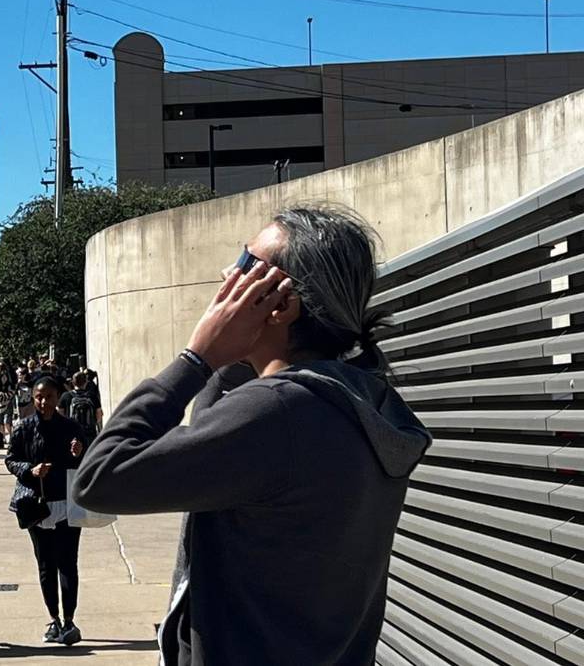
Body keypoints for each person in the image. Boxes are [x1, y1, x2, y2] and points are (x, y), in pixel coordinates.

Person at [73, 206, 432, 665]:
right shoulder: (362, 401)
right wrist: (231, 361)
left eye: (245, 264)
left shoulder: (278, 413)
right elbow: (214, 434)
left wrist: (195, 358)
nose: (226, 274)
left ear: (279, 304)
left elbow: (99, 479)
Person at [5, 376, 87, 646]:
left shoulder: (71, 427)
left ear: (57, 397)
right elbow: (11, 459)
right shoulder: (24, 428)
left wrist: (79, 452)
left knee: (68, 563)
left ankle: (70, 620)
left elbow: (87, 457)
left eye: (49, 396)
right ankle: (54, 619)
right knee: (45, 565)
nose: (43, 402)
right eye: (39, 397)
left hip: (66, 503)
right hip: (36, 505)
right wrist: (30, 470)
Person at [58, 371, 102, 442]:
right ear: (86, 382)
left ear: (72, 382)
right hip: (90, 434)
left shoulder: (66, 396)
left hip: (72, 434)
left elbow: (60, 416)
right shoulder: (92, 396)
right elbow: (99, 416)